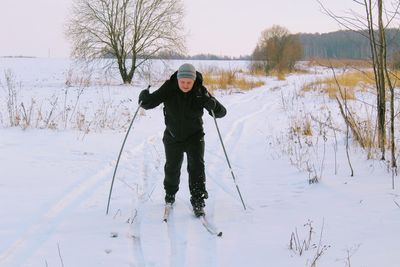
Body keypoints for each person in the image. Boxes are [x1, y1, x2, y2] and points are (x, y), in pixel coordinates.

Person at [138, 63, 226, 217]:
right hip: (172, 137)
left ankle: (198, 201)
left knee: (197, 168)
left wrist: (214, 105)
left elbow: (221, 113)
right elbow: (150, 102)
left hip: (195, 137)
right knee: (172, 167)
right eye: (182, 82)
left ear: (193, 81)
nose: (185, 85)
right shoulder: (169, 88)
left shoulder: (200, 91)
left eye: (189, 82)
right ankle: (170, 195)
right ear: (178, 79)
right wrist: (144, 98)